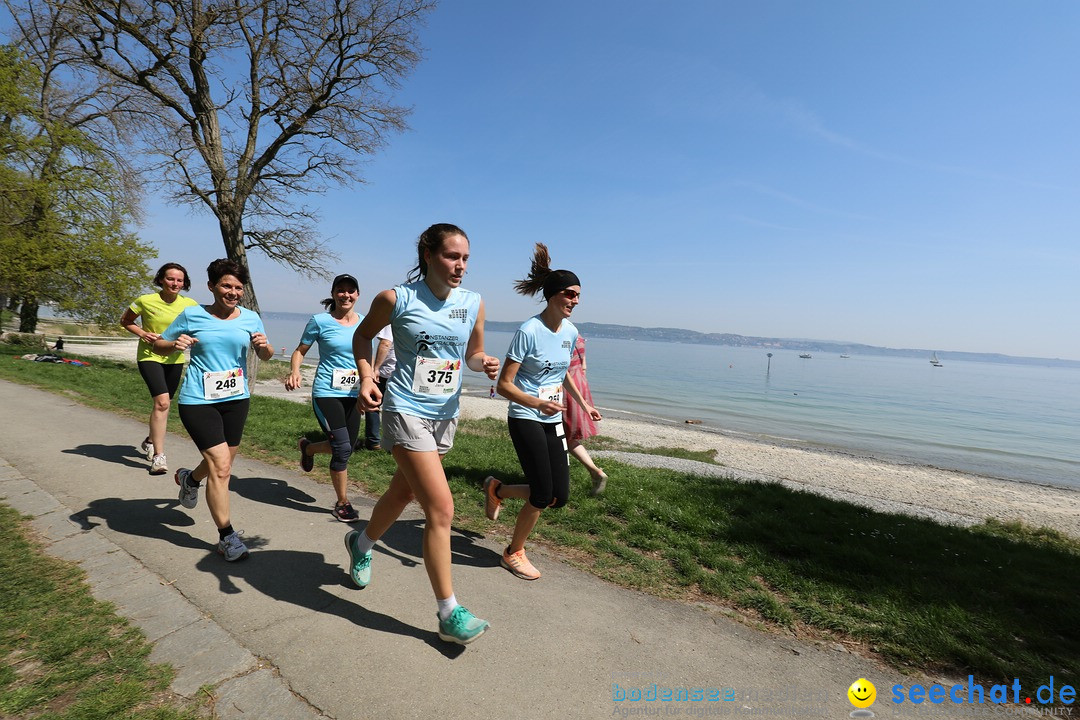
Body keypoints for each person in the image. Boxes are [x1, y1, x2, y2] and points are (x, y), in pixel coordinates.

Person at [345, 223, 499, 645]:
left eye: (466, 258)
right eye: (452, 256)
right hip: (405, 409)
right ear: (428, 254)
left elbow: (471, 353)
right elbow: (362, 336)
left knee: (403, 493)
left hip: (445, 413)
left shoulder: (473, 302)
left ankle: (361, 543)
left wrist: (484, 361)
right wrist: (365, 377)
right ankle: (449, 612)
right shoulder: (396, 298)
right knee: (441, 509)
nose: (460, 266)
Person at [482, 243, 602, 581]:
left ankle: (497, 489)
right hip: (526, 417)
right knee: (540, 493)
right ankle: (513, 552)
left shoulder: (571, 332)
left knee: (558, 497)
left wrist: (583, 404)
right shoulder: (528, 331)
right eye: (570, 294)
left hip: (553, 418)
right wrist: (536, 402)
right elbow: (505, 385)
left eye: (579, 295)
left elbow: (562, 372)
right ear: (552, 295)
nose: (575, 300)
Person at [153, 259, 274, 562]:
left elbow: (267, 354)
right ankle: (227, 537)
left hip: (236, 398)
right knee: (221, 466)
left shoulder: (250, 318)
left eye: (237, 287)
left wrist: (263, 347)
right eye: (226, 286)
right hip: (198, 399)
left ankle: (190, 479)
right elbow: (159, 345)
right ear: (211, 287)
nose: (233, 292)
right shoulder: (192, 314)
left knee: (222, 463)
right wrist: (174, 344)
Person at [285, 274, 366, 522]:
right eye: (341, 290)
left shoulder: (364, 323)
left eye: (351, 290)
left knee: (346, 448)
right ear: (333, 294)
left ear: (357, 295)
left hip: (354, 393)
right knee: (341, 448)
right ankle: (342, 502)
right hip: (327, 393)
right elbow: (300, 351)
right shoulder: (320, 321)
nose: (346, 295)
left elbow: (370, 354)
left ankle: (308, 448)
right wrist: (295, 371)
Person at [120, 263, 199, 475]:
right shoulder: (145, 301)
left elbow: (197, 326)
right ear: (161, 280)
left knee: (164, 405)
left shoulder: (190, 304)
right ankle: (158, 456)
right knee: (162, 402)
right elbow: (125, 321)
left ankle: (150, 440)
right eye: (171, 279)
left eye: (180, 280)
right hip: (149, 356)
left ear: (184, 283)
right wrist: (142, 333)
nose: (175, 283)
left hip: (174, 358)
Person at [565, 333, 608, 495]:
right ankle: (594, 472)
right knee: (568, 437)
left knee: (560, 435)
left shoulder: (563, 336)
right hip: (580, 382)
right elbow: (584, 366)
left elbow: (560, 367)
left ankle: (592, 471)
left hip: (566, 385)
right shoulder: (579, 337)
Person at [362, 324, 395, 451]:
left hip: (387, 371)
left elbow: (385, 343)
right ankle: (399, 443)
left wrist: (375, 368)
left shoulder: (391, 321)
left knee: (373, 403)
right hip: (406, 372)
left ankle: (373, 440)